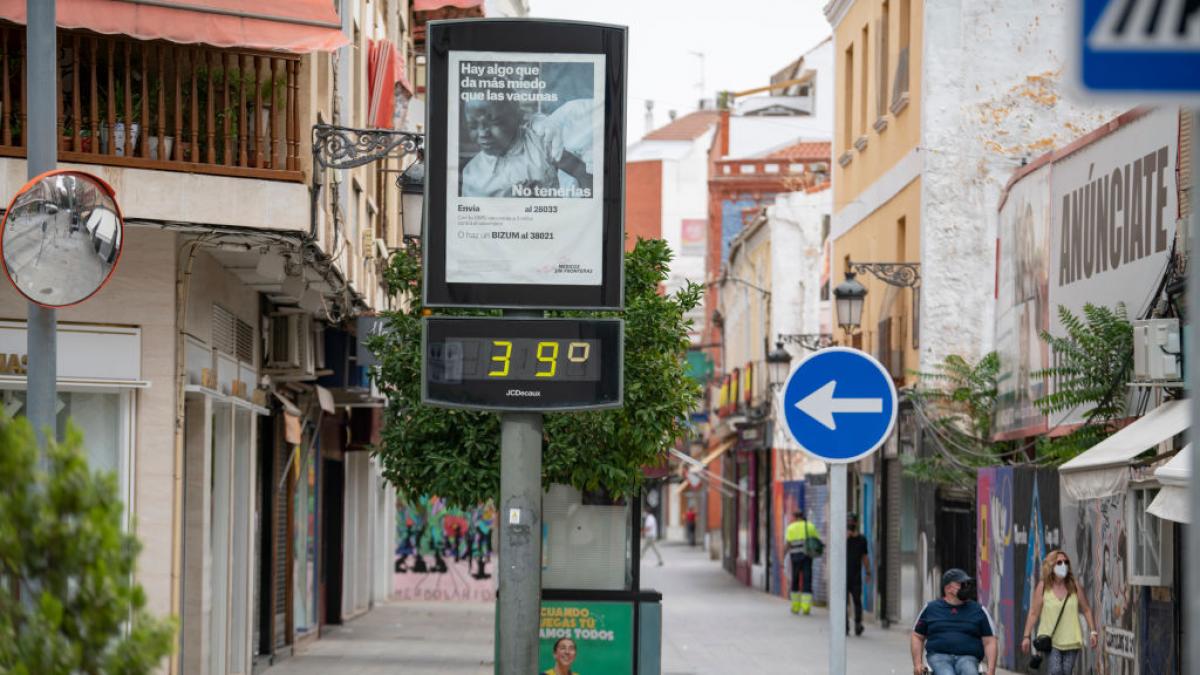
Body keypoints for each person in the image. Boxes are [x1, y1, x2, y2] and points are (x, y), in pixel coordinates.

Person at [459, 99, 592, 198]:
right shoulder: (471, 173)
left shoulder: (541, 142)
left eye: (495, 123)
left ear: (516, 115)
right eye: (473, 126)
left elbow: (588, 180)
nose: (482, 134)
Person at [1020, 550, 1098, 675]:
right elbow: (1034, 612)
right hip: (1051, 640)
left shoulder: (1074, 586)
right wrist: (1026, 636)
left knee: (1066, 672)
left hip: (1072, 640)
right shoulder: (1043, 586)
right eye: (1059, 562)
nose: (1064, 565)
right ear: (1051, 566)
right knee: (1056, 671)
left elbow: (1087, 609)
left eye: (1066, 562)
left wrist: (1093, 631)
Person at [911, 568, 997, 675]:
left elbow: (990, 641)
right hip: (939, 656)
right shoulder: (930, 608)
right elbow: (917, 636)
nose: (966, 587)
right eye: (961, 584)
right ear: (948, 588)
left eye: (967, 583)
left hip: (968, 657)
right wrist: (917, 664)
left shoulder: (979, 611)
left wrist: (991, 670)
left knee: (970, 672)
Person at [785, 510, 822, 615]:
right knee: (807, 580)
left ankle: (795, 607)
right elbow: (816, 540)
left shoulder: (790, 528)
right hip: (807, 557)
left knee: (795, 580)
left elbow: (788, 544)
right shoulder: (810, 526)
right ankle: (806, 608)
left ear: (794, 517)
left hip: (795, 557)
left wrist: (783, 556)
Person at [846, 513, 871, 636]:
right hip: (843, 577)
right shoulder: (842, 538)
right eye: (848, 521)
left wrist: (868, 572)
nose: (850, 524)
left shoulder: (862, 539)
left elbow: (865, 556)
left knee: (857, 601)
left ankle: (858, 624)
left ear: (856, 523)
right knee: (843, 603)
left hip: (855, 576)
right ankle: (844, 626)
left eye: (852, 522)